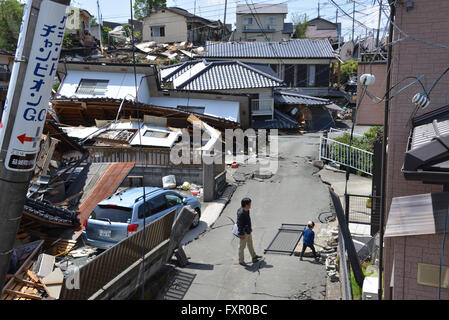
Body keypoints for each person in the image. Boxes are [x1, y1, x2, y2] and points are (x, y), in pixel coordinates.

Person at [237, 198, 262, 266]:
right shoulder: (241, 213)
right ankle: (241, 261)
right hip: (243, 232)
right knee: (242, 247)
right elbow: (239, 224)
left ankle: (254, 256)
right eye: (249, 204)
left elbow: (248, 219)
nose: (250, 205)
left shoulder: (247, 210)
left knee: (250, 243)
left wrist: (250, 228)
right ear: (246, 205)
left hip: (247, 231)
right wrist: (241, 234)